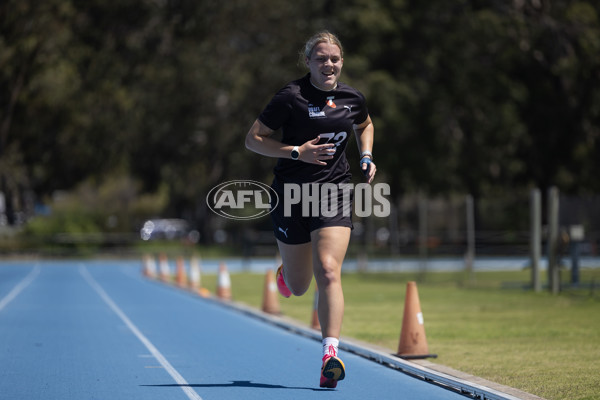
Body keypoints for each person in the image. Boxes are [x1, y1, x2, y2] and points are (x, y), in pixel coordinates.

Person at [245, 31, 376, 388]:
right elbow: (253, 139)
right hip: (290, 197)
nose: (328, 65)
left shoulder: (352, 98)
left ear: (341, 61)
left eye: (334, 59)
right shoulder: (291, 97)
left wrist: (366, 155)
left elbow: (365, 125)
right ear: (308, 62)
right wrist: (295, 152)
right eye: (321, 59)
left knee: (329, 271)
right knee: (300, 286)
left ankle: (329, 355)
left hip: (333, 193)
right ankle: (286, 274)